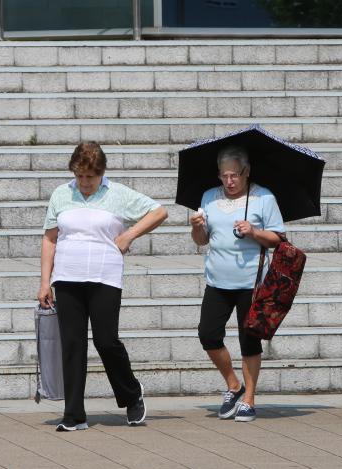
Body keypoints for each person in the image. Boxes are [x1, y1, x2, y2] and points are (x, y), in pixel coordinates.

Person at [37, 141, 168, 431]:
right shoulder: (61, 194)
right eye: (80, 176)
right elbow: (50, 238)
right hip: (67, 277)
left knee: (105, 341)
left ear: (102, 173)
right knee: (71, 344)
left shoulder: (118, 194)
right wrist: (45, 281)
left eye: (90, 177)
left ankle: (131, 394)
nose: (84, 183)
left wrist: (129, 234)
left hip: (104, 277)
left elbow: (159, 212)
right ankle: (74, 414)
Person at [189, 145, 285, 422]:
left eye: (234, 175)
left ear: (246, 172)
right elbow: (202, 240)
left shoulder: (263, 198)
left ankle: (250, 399)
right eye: (224, 176)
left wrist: (254, 231)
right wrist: (196, 226)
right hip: (217, 279)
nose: (229, 181)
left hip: (251, 282)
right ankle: (233, 384)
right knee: (208, 334)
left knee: (249, 340)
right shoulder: (208, 197)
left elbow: (279, 238)